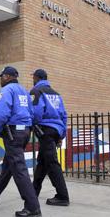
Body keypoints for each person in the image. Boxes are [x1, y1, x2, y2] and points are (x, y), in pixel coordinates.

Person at [0, 66, 42, 217]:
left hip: (12, 134)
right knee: (8, 167)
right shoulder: (24, 91)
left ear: (8, 77)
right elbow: (32, 113)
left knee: (19, 170)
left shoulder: (6, 91)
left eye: (2, 76)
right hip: (24, 132)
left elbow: (1, 113)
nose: (0, 79)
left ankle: (32, 207)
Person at [30, 69, 70, 206]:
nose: (32, 79)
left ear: (36, 77)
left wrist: (33, 125)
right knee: (42, 162)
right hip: (56, 130)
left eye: (33, 77)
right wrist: (61, 135)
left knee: (52, 163)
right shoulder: (56, 93)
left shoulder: (36, 91)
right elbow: (64, 115)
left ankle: (62, 196)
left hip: (44, 130)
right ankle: (33, 192)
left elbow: (35, 112)